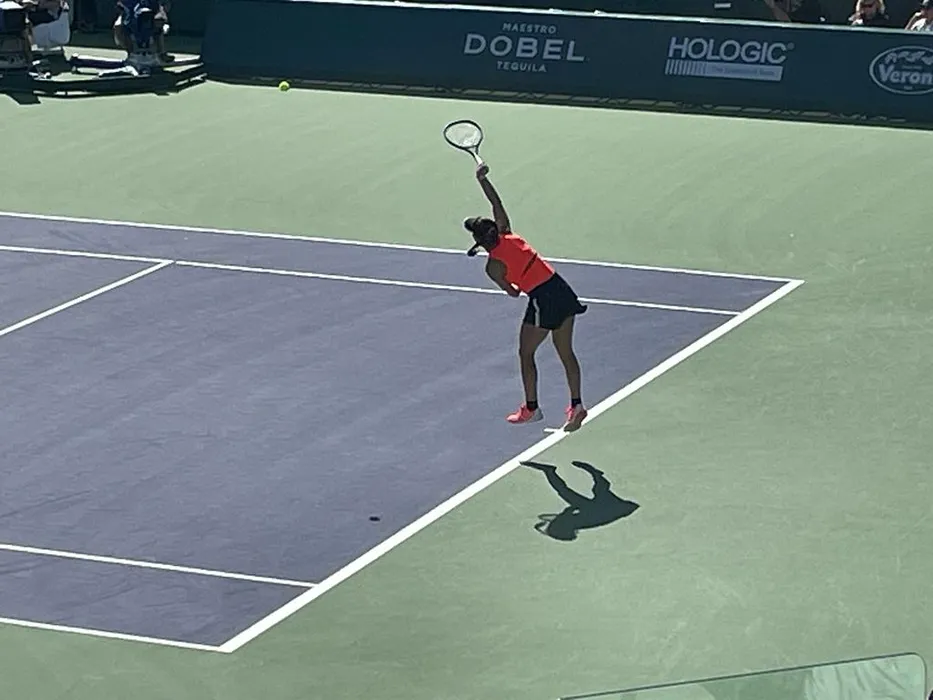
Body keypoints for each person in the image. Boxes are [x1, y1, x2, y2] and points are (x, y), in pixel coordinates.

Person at [463, 163, 588, 432]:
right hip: (561, 288)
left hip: (543, 299)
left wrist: (513, 277)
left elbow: (513, 292)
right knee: (565, 351)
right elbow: (495, 202)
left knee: (526, 352)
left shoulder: (493, 267)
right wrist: (482, 179)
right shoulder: (506, 230)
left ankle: (531, 408)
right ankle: (577, 405)